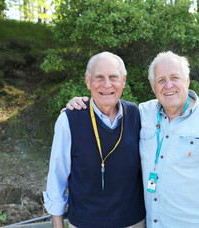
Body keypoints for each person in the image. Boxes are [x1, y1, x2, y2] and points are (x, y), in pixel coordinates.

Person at [66, 51, 199, 227]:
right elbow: (108, 106)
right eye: (161, 80)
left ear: (187, 80)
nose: (168, 85)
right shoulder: (142, 114)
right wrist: (79, 105)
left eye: (174, 78)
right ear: (153, 87)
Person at [43, 52, 145, 228]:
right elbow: (57, 177)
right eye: (99, 77)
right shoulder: (69, 120)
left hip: (133, 222)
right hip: (84, 223)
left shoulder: (138, 114)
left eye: (113, 77)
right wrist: (58, 225)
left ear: (124, 81)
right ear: (88, 81)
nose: (107, 85)